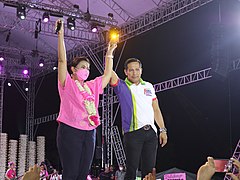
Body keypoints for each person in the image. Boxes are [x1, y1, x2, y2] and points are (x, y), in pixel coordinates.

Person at [56, 19, 117, 180]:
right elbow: (62, 61)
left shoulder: (92, 86)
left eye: (88, 68)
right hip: (70, 130)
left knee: (83, 174)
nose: (86, 70)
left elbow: (107, 75)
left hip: (90, 132)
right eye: (83, 67)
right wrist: (60, 34)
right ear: (73, 70)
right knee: (71, 173)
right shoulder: (67, 83)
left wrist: (109, 54)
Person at [110, 58, 168, 179]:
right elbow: (109, 71)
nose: (134, 73)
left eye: (137, 69)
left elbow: (156, 109)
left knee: (149, 172)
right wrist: (109, 54)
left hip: (151, 133)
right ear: (125, 72)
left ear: (141, 70)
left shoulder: (148, 86)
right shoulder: (122, 86)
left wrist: (162, 130)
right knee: (131, 170)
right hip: (133, 133)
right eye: (131, 70)